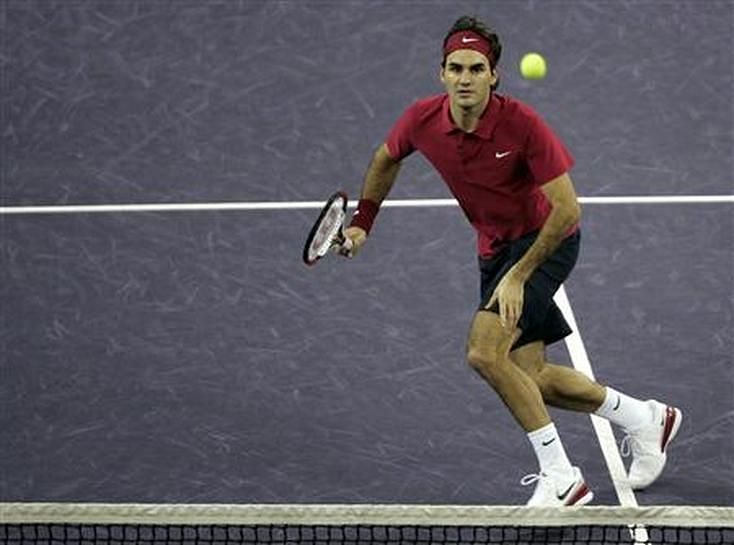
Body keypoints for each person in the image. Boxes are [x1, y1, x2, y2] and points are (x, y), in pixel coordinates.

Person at [340, 15, 682, 506]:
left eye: (476, 69)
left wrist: (520, 276)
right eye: (455, 68)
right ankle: (646, 419)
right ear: (441, 73)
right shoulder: (421, 119)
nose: (464, 78)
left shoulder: (522, 124)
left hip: (547, 241)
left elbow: (567, 210)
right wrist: (361, 223)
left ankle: (562, 477)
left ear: (493, 75)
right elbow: (385, 158)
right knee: (532, 379)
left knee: (484, 353)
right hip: (495, 248)